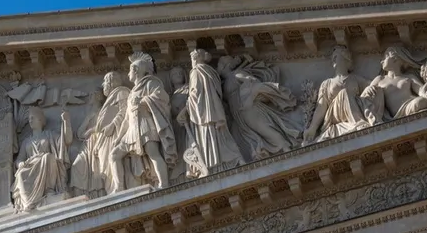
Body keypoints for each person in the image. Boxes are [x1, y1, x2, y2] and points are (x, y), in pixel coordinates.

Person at [111, 52, 176, 191]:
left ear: (135, 70)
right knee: (114, 155)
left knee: (153, 154)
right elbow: (127, 119)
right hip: (132, 130)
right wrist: (119, 137)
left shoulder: (151, 83)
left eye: (130, 70)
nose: (128, 74)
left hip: (146, 126)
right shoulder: (132, 92)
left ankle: (164, 185)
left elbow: (162, 97)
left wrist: (143, 101)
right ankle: (119, 188)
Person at [218, 56, 300, 159]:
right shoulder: (224, 83)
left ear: (226, 66)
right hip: (238, 114)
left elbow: (253, 81)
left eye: (219, 65)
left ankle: (285, 147)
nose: (217, 68)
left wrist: (248, 98)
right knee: (247, 138)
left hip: (246, 108)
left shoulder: (236, 74)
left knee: (264, 129)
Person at [180, 49, 243, 177]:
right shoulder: (211, 72)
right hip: (215, 111)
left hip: (203, 114)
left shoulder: (196, 71)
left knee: (208, 138)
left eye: (192, 58)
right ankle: (237, 159)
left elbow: (195, 93)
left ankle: (212, 166)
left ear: (195, 59)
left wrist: (184, 110)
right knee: (222, 137)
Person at [71, 71, 132, 197]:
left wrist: (112, 125)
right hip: (103, 138)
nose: (103, 84)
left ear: (111, 82)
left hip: (112, 135)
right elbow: (83, 132)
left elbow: (124, 111)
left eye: (105, 81)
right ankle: (112, 191)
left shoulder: (121, 92)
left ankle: (118, 188)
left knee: (111, 160)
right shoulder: (110, 100)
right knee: (105, 165)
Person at [303, 46, 371, 143]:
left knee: (349, 92)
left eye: (336, 56)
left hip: (354, 108)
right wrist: (312, 128)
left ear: (346, 59)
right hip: (334, 115)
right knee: (344, 93)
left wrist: (381, 80)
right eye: (333, 57)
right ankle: (359, 123)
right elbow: (321, 106)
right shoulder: (327, 83)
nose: (333, 59)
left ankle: (361, 121)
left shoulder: (354, 79)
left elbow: (372, 85)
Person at [13, 107, 72, 211]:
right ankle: (28, 202)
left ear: (40, 119)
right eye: (29, 119)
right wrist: (21, 164)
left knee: (48, 157)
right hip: (30, 166)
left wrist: (66, 121)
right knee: (21, 174)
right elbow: (19, 159)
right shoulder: (26, 142)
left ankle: (49, 192)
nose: (30, 121)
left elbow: (66, 140)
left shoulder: (49, 135)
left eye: (32, 118)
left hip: (46, 164)